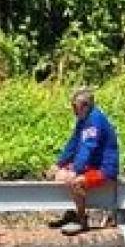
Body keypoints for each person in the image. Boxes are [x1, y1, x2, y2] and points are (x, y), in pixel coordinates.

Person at [46, 88, 120, 235]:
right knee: (60, 175)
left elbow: (88, 147)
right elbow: (73, 143)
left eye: (75, 106)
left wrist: (76, 169)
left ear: (85, 105)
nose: (73, 110)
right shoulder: (83, 119)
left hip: (104, 169)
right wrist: (59, 164)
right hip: (91, 165)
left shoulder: (94, 121)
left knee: (76, 181)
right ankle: (73, 212)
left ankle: (81, 220)